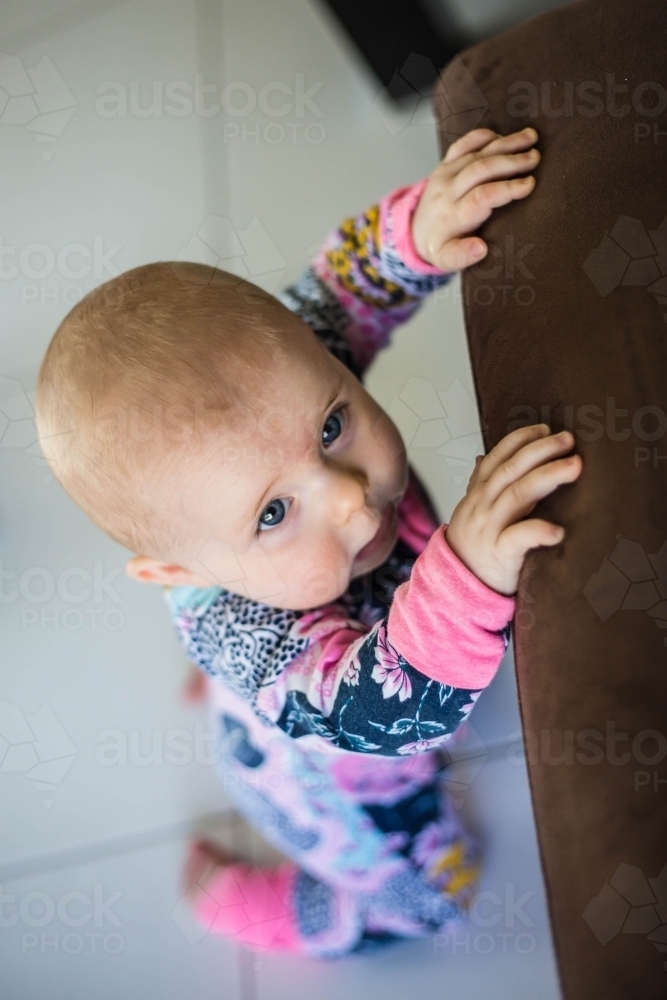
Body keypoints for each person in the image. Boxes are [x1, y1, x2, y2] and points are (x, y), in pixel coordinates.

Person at [35, 126, 582, 958]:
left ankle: (228, 672)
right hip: (338, 784)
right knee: (436, 899)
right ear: (180, 572)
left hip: (308, 674)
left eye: (331, 425)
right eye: (271, 512)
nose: (354, 504)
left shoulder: (276, 376)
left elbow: (337, 290)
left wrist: (417, 234)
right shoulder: (247, 630)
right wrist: (463, 572)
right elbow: (373, 711)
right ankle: (267, 909)